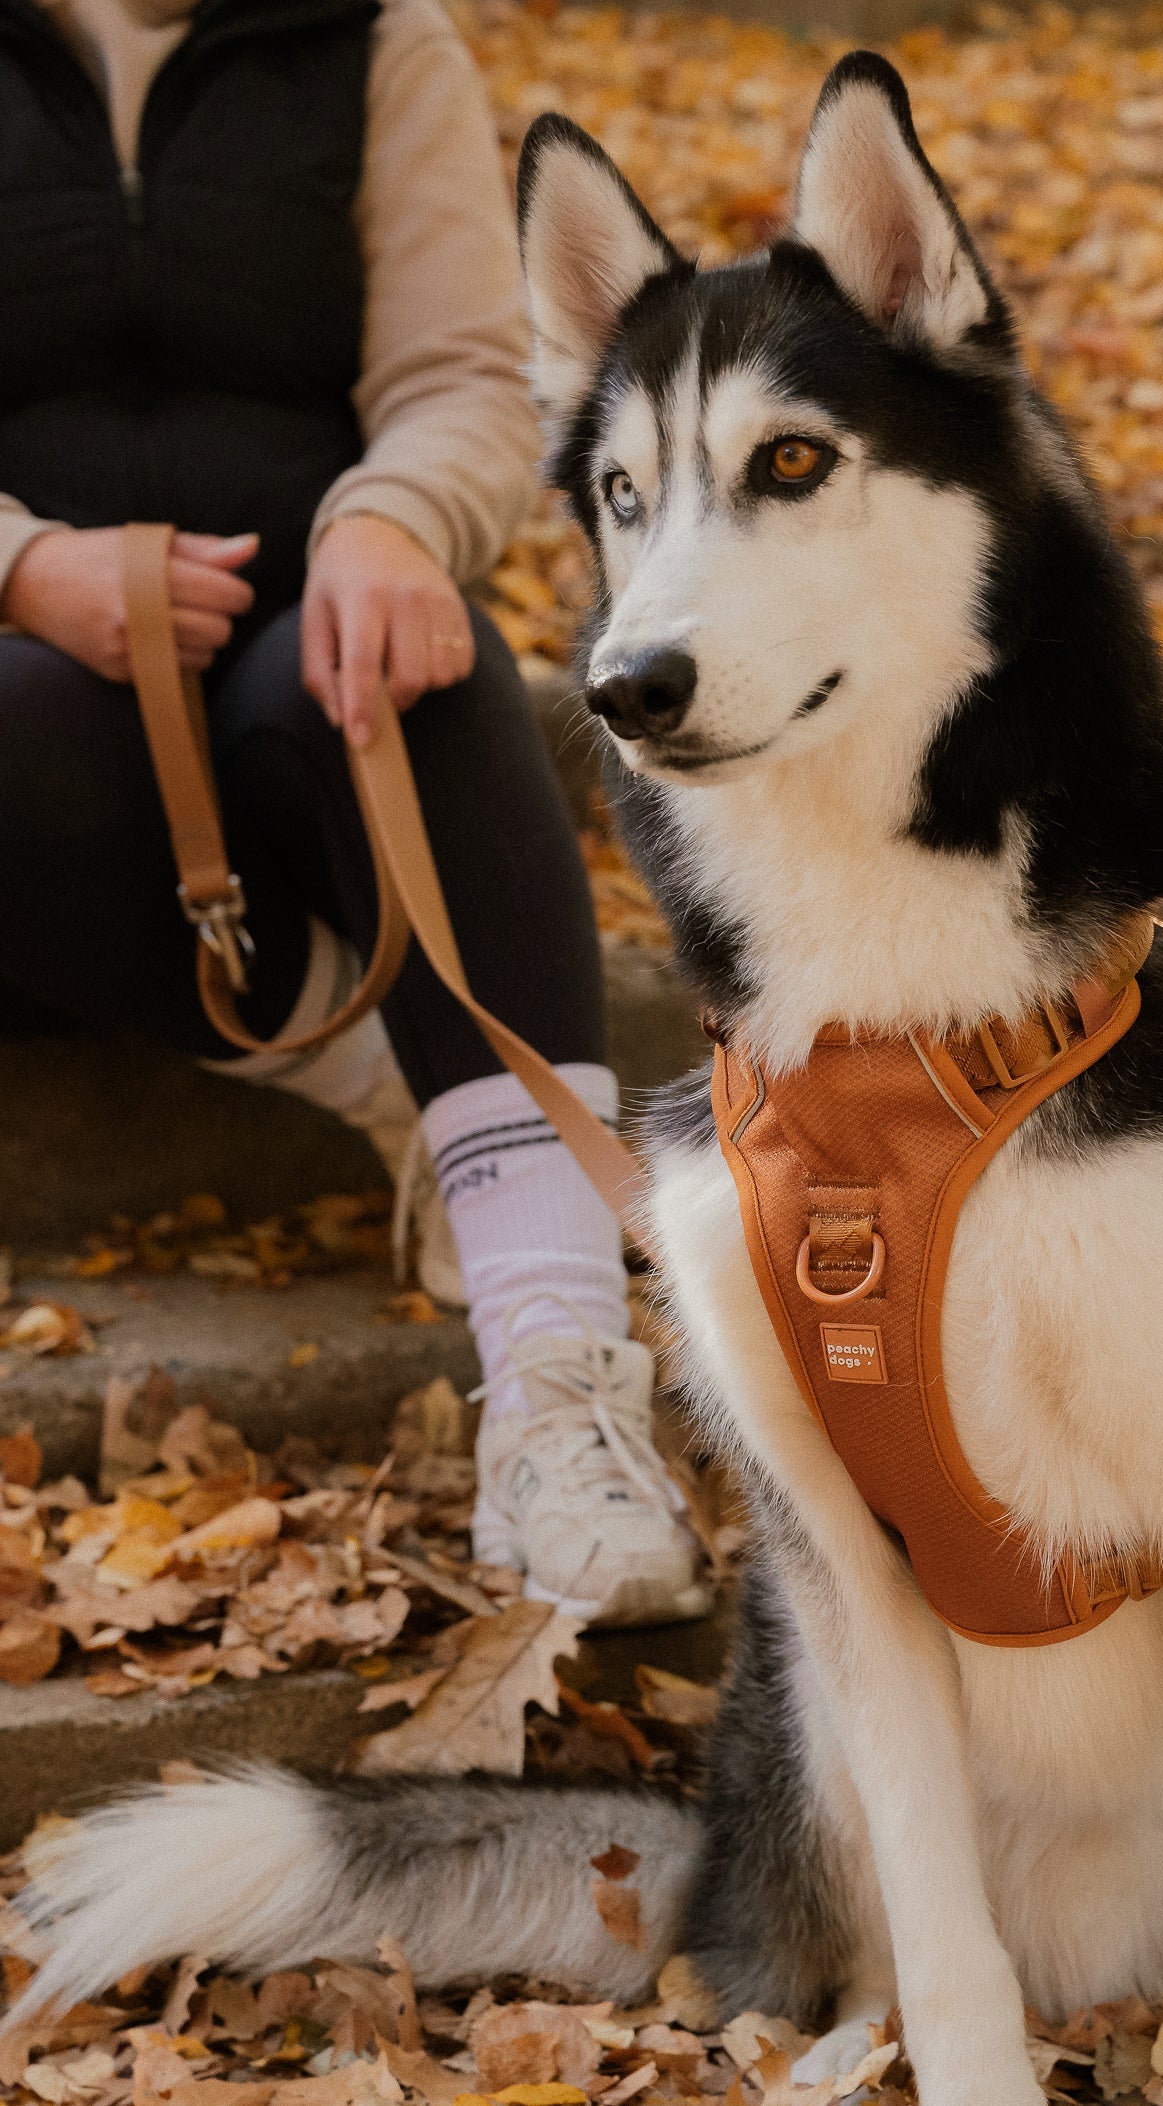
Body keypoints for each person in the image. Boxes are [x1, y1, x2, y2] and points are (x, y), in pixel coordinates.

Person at [0, 0, 707, 1626]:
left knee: (431, 675)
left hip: (288, 653)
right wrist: (32, 571)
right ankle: (382, 1065)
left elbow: (462, 373)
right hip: (21, 693)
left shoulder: (381, 43)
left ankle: (557, 1395)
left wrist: (390, 526)